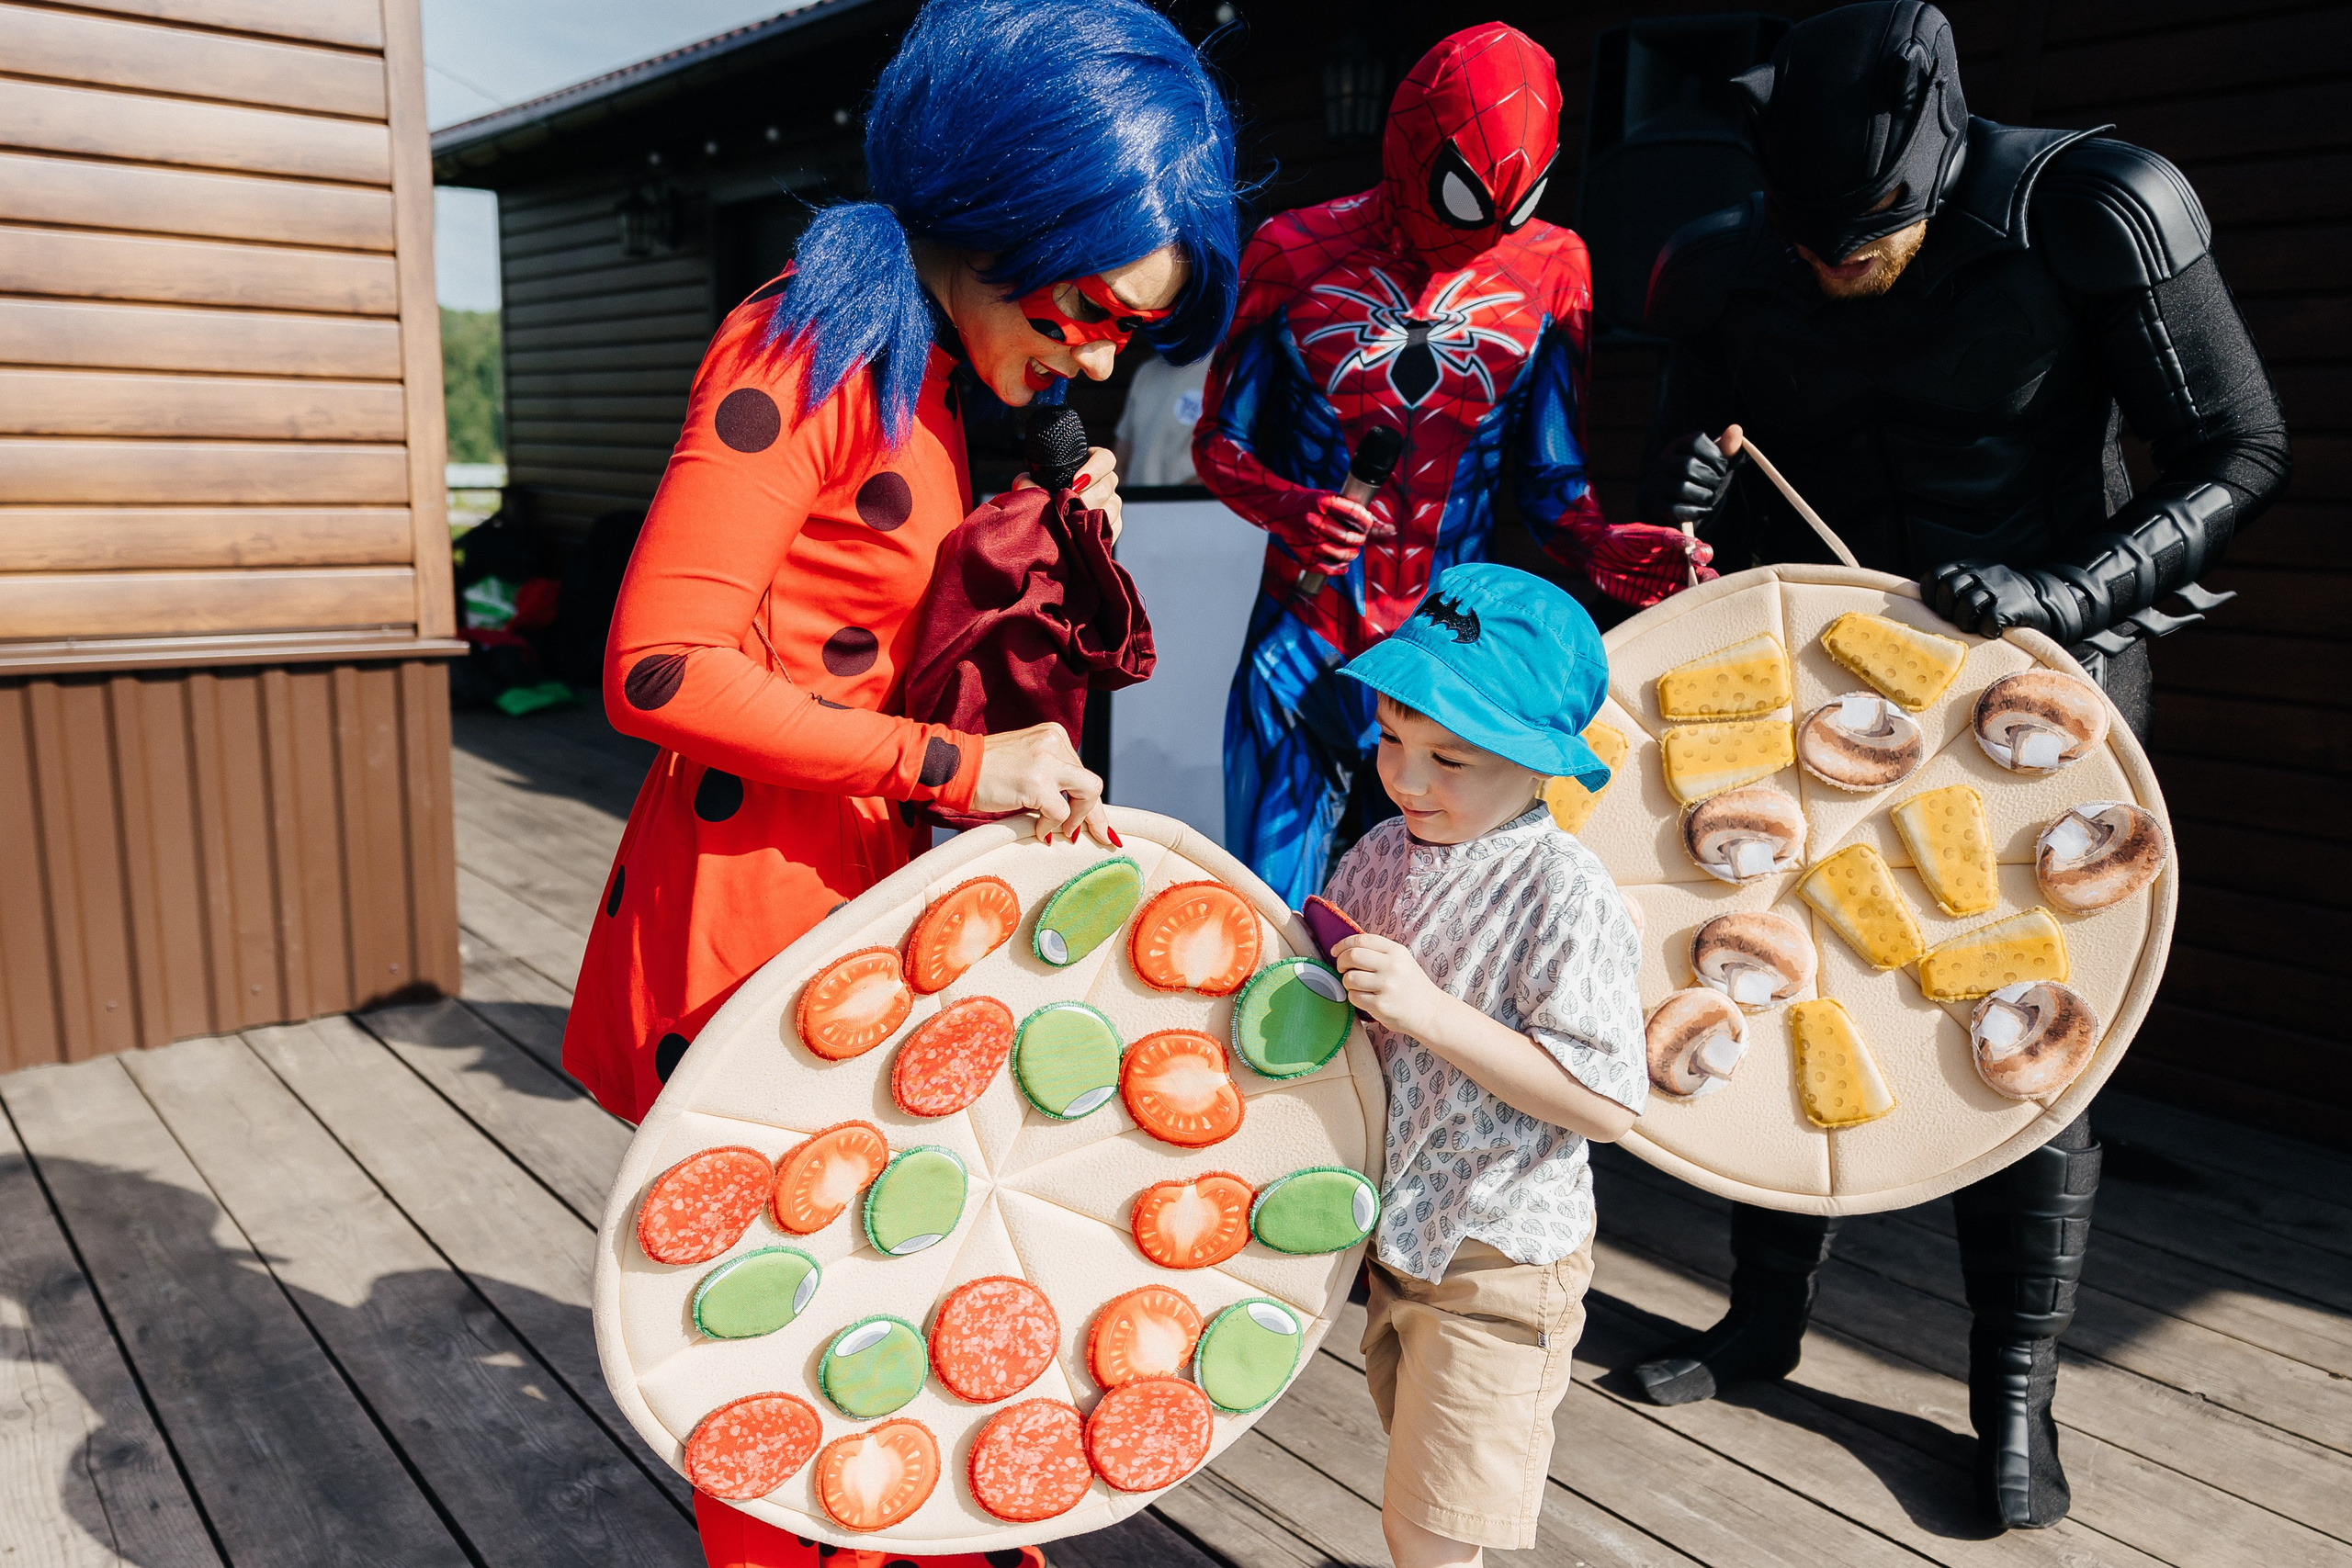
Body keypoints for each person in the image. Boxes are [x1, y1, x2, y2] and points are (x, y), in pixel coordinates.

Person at [560, 2, 1238, 1562]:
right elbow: (656, 668)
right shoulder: (804, 345)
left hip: (883, 892)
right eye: (1083, 306)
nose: (1097, 352)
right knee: (775, 1324)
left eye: (1130, 328)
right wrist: (958, 762)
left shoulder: (944, 372)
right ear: (1000, 213)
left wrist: (1043, 502)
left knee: (909, 1277)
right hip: (760, 904)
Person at [1630, 0, 2290, 1532]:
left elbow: (2239, 449)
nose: (1833, 271)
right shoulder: (1733, 252)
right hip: (1826, 671)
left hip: (2044, 659)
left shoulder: (2099, 206)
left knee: (2017, 1005)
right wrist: (1688, 482)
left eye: (1865, 241)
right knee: (1770, 965)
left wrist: (2071, 595)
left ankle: (2016, 1399)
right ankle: (1761, 1314)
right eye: (1810, 245)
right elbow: (1698, 446)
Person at [1193, 23, 1708, 910]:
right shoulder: (1292, 251)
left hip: (1452, 652)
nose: (1487, 236)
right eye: (1471, 202)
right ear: (1412, 151)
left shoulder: (1553, 266)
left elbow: (1552, 483)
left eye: (1520, 204)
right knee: (1269, 911)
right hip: (1307, 636)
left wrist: (1601, 543)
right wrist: (1289, 505)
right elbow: (1217, 444)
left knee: (1434, 924)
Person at [1320, 561, 1647, 1568]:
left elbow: (1601, 1104)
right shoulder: (1381, 850)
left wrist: (1428, 1011)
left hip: (1499, 1256)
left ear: (1542, 762)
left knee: (1437, 1531)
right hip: (1396, 1243)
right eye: (1389, 741)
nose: (1407, 778)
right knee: (1413, 1509)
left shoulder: (1565, 889)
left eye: (1449, 759)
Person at [1113, 346, 1208, 487]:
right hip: (1136, 505)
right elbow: (1120, 458)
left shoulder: (1231, 375)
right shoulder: (1147, 371)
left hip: (1196, 507)